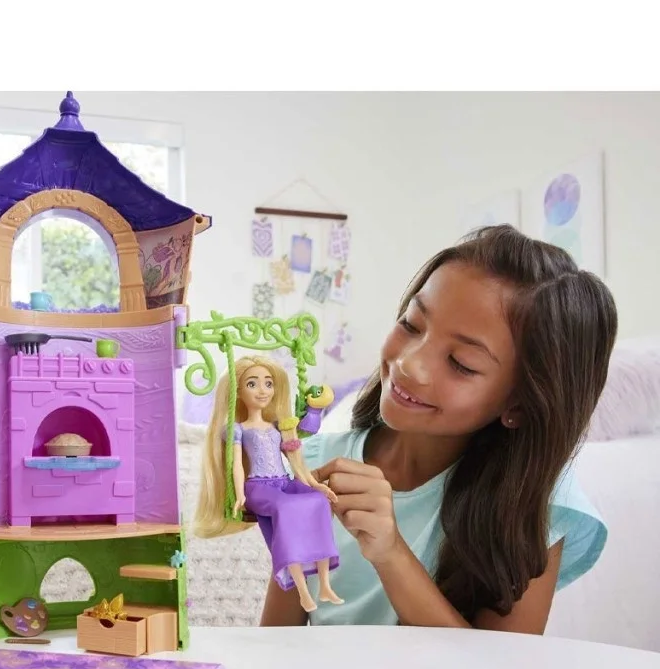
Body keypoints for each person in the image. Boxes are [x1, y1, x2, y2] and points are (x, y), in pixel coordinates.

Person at [261, 224, 618, 632]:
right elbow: (278, 641)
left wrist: (391, 554)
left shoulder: (533, 504)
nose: (409, 363)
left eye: (461, 363)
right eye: (412, 325)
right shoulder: (313, 466)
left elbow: (505, 667)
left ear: (519, 404)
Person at [194, 354, 342, 612]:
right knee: (286, 508)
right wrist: (239, 494)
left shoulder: (277, 426)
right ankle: (302, 592)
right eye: (252, 384)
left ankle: (325, 585)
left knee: (318, 501)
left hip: (283, 481)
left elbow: (296, 459)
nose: (262, 390)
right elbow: (236, 465)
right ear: (238, 393)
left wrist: (315, 485)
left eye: (268, 383)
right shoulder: (238, 429)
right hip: (258, 487)